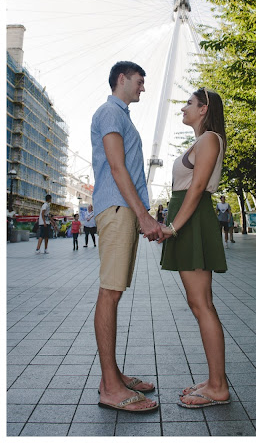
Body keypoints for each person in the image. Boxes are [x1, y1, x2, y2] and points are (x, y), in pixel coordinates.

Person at [91, 61, 162, 413]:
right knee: (110, 292)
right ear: (122, 79)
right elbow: (117, 167)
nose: (143, 88)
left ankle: (114, 376)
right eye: (139, 81)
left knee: (113, 292)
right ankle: (109, 387)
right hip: (118, 209)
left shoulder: (121, 116)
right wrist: (143, 215)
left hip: (122, 212)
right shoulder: (109, 113)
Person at [158, 88, 230, 408]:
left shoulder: (209, 139)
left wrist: (174, 227)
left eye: (189, 103)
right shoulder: (201, 140)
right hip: (188, 219)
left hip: (192, 220)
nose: (183, 108)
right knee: (199, 302)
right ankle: (215, 380)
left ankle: (218, 386)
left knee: (202, 304)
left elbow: (197, 187)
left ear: (204, 109)